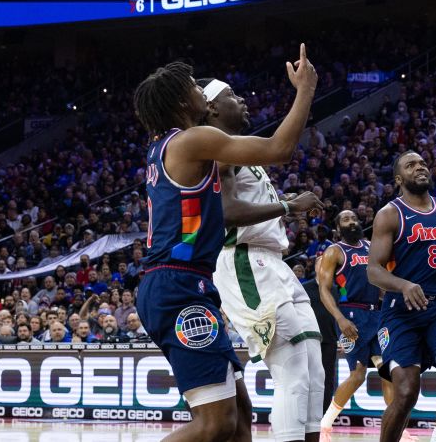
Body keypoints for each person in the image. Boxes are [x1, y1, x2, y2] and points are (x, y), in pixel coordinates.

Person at [133, 45, 316, 442]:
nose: (202, 90)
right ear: (184, 100)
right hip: (177, 285)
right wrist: (305, 90)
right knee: (215, 424)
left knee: (240, 414)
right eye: (194, 87)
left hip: (185, 282)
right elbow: (279, 150)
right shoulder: (192, 140)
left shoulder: (164, 146)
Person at [200, 77, 327, 442]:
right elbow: (225, 211)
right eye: (232, 96)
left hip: (271, 262)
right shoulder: (217, 148)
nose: (242, 101)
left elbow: (246, 201)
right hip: (243, 263)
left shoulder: (238, 150)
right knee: (290, 370)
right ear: (211, 108)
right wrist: (288, 205)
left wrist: (282, 201)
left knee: (313, 369)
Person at [367, 151, 436, 442]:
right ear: (399, 178)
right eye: (411, 165)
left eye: (423, 163)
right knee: (405, 392)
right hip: (400, 311)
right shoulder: (390, 214)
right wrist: (403, 285)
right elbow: (373, 271)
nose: (420, 167)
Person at [316, 210, 394, 435]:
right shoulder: (334, 252)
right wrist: (339, 319)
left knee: (387, 371)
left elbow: (382, 279)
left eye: (353, 218)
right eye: (345, 219)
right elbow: (324, 290)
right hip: (351, 314)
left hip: (376, 314)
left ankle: (396, 428)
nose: (351, 222)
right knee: (358, 374)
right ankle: (325, 425)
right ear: (338, 228)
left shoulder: (371, 247)